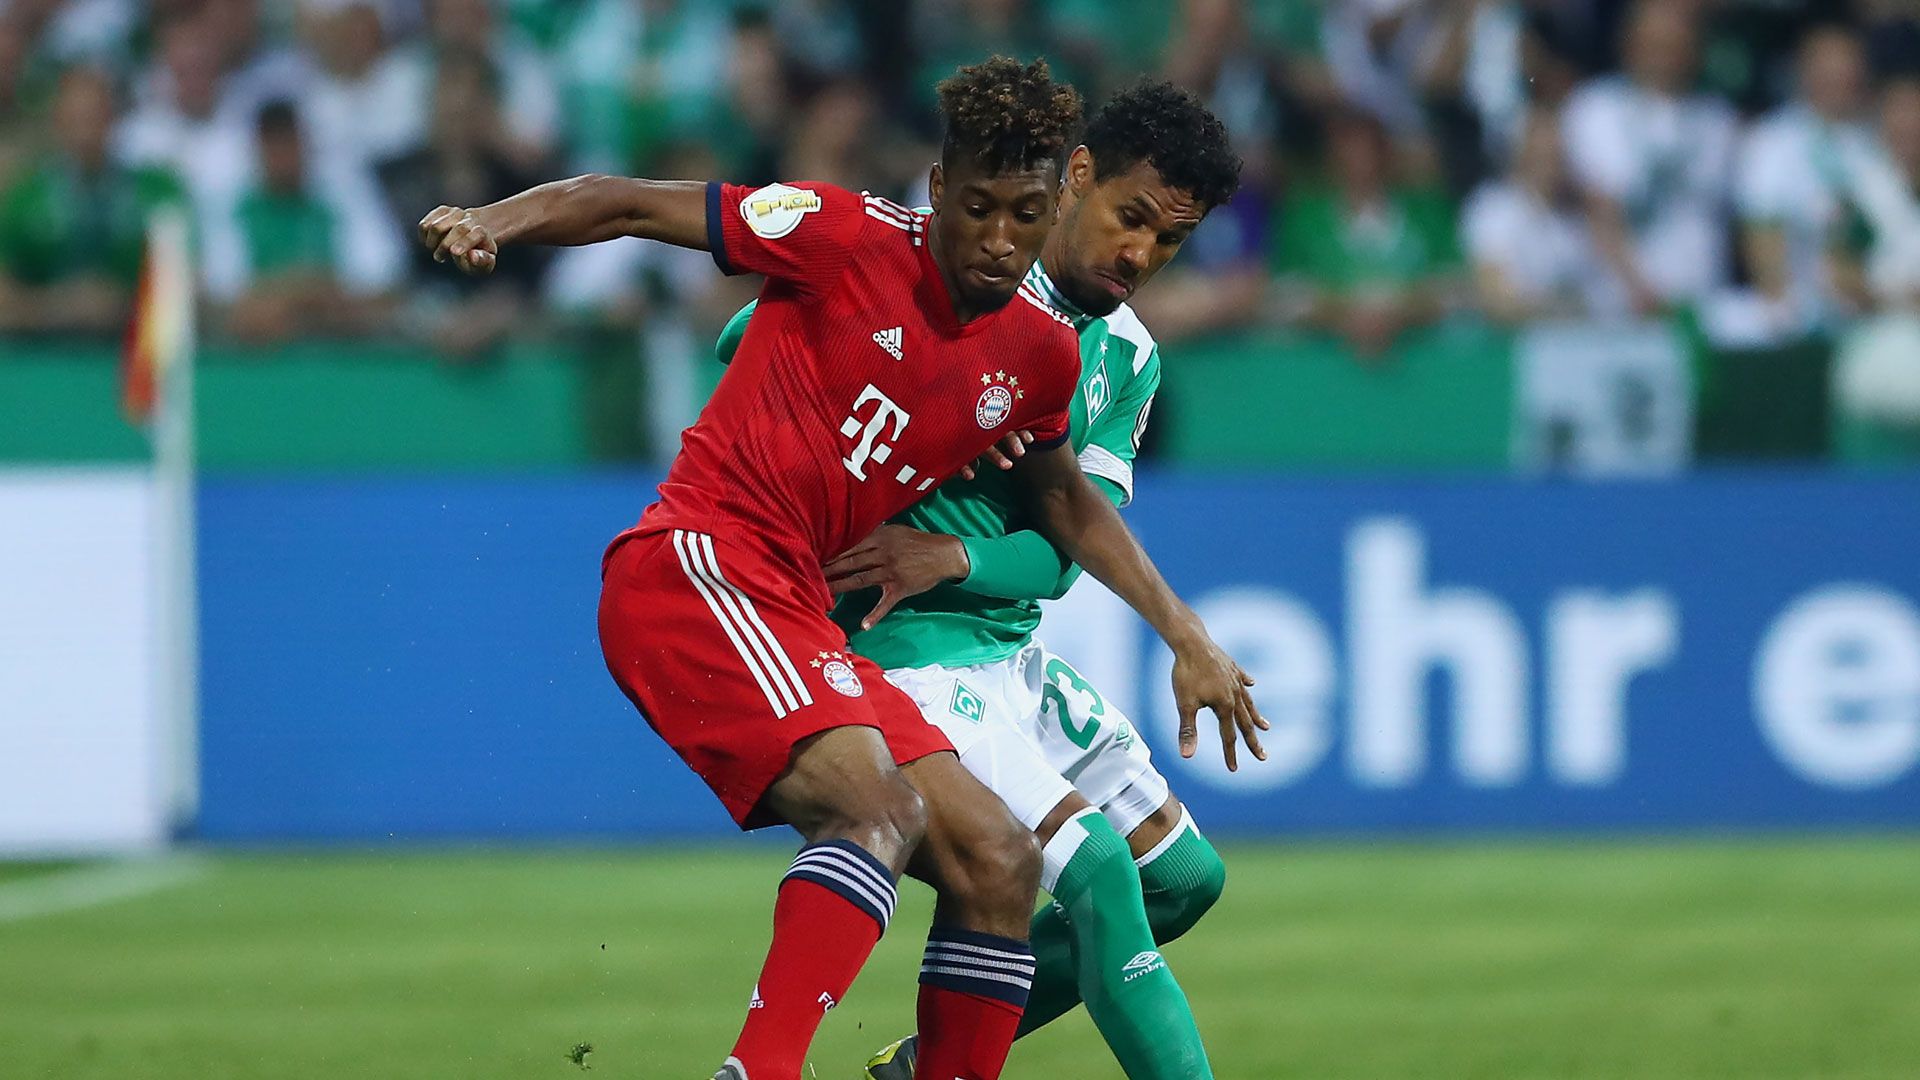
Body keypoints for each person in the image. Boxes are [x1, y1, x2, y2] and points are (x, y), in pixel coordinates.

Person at [416, 57, 1265, 1080]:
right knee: (889, 815)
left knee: (999, 864)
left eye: (1023, 216)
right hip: (719, 564)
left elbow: (1066, 507)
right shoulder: (845, 232)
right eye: (980, 210)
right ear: (940, 190)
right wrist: (493, 219)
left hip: (842, 623)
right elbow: (633, 204)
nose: (1002, 240)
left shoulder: (1047, 356)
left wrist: (1184, 633)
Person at [716, 81, 1250, 1080]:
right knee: (1099, 874)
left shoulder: (1127, 355)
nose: (1140, 254)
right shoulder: (960, 262)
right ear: (1077, 175)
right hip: (904, 650)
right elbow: (745, 344)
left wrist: (958, 554)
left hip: (1007, 649)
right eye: (1131, 217)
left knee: (1184, 880)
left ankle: (925, 1061)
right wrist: (914, 401)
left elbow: (1065, 548)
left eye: (1170, 241)